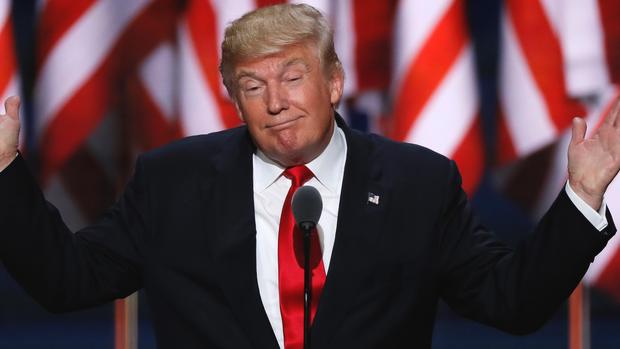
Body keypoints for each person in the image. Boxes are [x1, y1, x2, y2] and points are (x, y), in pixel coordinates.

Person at [0, 3, 619, 349]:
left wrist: (584, 197)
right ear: (232, 100)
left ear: (333, 83)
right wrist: (4, 170)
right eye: (253, 86)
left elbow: (511, 302)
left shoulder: (417, 183)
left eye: (293, 77)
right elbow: (65, 281)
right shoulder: (173, 182)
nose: (276, 102)